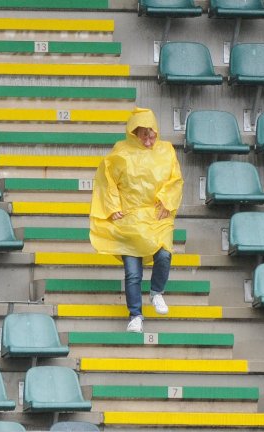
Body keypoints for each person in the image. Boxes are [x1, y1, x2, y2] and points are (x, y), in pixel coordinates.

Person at [89, 108, 184, 333]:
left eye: (152, 136)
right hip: (130, 219)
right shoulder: (121, 152)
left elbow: (175, 179)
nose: (149, 141)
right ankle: (136, 316)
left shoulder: (167, 151)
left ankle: (156, 292)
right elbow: (106, 179)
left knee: (164, 254)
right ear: (134, 133)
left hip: (156, 217)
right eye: (144, 136)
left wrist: (166, 200)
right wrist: (112, 207)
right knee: (133, 272)